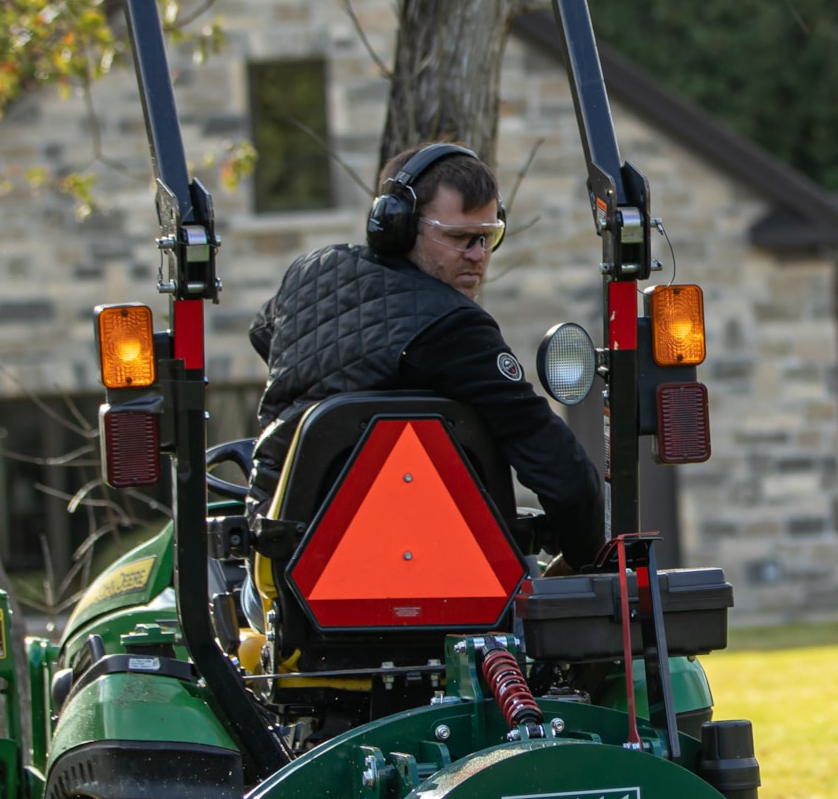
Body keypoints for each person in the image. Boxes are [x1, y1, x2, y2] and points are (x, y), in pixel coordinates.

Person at [247, 144, 606, 569]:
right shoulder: (454, 328)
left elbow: (263, 333)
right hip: (420, 570)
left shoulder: (307, 275)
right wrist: (584, 562)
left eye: (488, 237)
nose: (478, 255)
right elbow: (565, 479)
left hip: (279, 566)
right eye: (458, 238)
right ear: (395, 226)